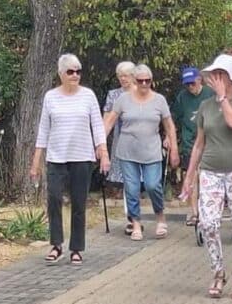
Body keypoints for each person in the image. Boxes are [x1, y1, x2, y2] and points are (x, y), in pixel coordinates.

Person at [181, 54, 232, 300]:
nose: (214, 78)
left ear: (231, 78)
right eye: (213, 74)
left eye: (219, 74)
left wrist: (223, 98)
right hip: (211, 170)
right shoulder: (205, 106)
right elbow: (199, 144)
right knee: (208, 223)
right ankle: (218, 272)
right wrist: (190, 177)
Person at [30, 53, 110, 266]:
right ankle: (56, 244)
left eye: (78, 71)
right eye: (70, 72)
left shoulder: (88, 96)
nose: (75, 75)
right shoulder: (50, 97)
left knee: (78, 202)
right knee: (54, 198)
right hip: (57, 156)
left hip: (82, 156)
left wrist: (103, 151)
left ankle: (76, 248)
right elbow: (43, 129)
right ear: (61, 74)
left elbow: (97, 125)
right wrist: (36, 161)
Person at [103, 65, 179, 240]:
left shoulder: (159, 100)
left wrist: (173, 148)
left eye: (148, 80)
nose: (144, 83)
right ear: (135, 81)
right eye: (140, 80)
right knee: (132, 188)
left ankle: (160, 216)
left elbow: (169, 125)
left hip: (151, 151)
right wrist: (100, 146)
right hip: (127, 151)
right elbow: (109, 122)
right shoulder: (123, 99)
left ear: (151, 81)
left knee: (153, 185)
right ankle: (135, 223)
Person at [172, 66, 213, 226]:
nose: (190, 87)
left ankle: (207, 211)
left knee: (207, 179)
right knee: (192, 177)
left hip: (210, 144)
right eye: (187, 84)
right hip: (190, 143)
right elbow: (174, 117)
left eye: (192, 84)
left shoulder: (210, 94)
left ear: (199, 80)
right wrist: (169, 138)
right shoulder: (182, 97)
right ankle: (194, 213)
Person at [103, 61, 136, 234]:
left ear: (133, 76)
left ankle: (134, 215)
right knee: (127, 180)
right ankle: (131, 218)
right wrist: (100, 145)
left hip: (140, 143)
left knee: (136, 180)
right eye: (120, 76)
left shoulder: (141, 92)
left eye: (126, 75)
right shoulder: (114, 95)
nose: (123, 79)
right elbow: (107, 120)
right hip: (121, 143)